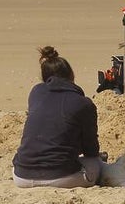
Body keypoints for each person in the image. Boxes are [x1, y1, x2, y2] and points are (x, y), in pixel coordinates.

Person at [12, 46, 101, 188]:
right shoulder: (83, 104)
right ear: (71, 76)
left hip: (21, 176)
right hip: (60, 177)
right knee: (95, 163)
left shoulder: (36, 93)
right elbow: (91, 149)